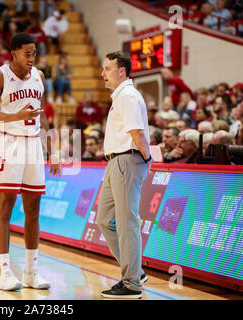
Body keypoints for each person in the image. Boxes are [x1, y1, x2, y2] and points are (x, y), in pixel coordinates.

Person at [0, 33, 61, 291]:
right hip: (10, 143)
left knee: (34, 208)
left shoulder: (39, 77)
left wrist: (53, 151)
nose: (31, 58)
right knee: (6, 204)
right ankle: (5, 272)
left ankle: (30, 272)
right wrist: (17, 115)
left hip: (33, 146)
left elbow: (43, 117)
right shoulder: (0, 75)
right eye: (27, 53)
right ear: (13, 53)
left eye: (34, 53)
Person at [96, 51, 151, 299]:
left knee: (127, 221)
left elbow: (137, 132)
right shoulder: (120, 96)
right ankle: (135, 270)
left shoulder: (127, 95)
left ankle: (131, 284)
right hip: (115, 162)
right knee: (105, 220)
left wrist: (147, 157)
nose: (102, 73)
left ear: (122, 71)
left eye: (107, 69)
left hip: (127, 159)